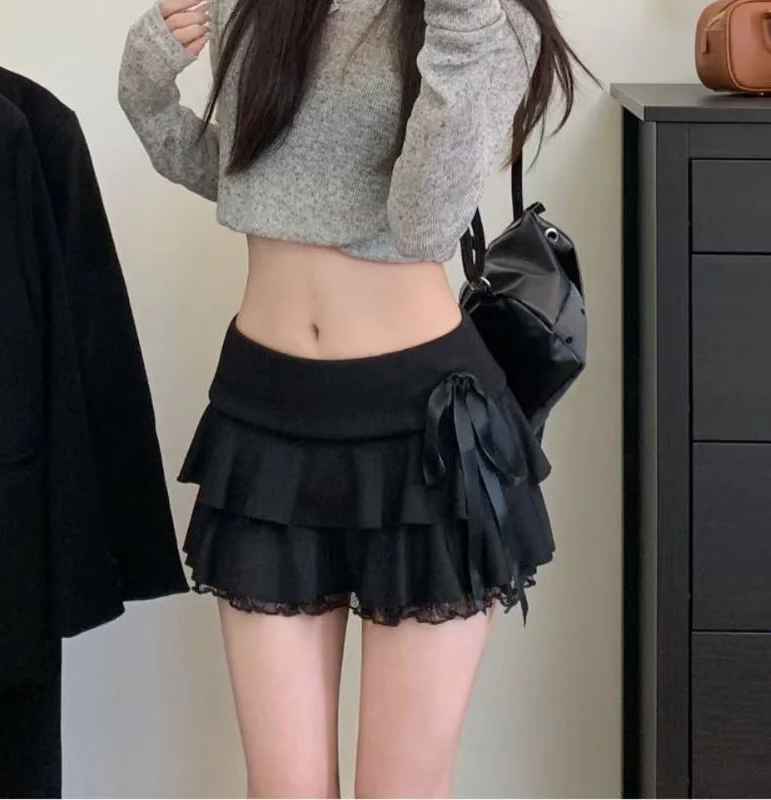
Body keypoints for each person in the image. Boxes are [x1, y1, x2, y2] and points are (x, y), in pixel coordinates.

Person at [118, 0, 587, 796]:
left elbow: (424, 222)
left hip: (425, 434)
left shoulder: (488, 20)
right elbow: (250, 180)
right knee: (282, 787)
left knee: (398, 790)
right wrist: (147, 90)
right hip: (265, 423)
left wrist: (461, 17)